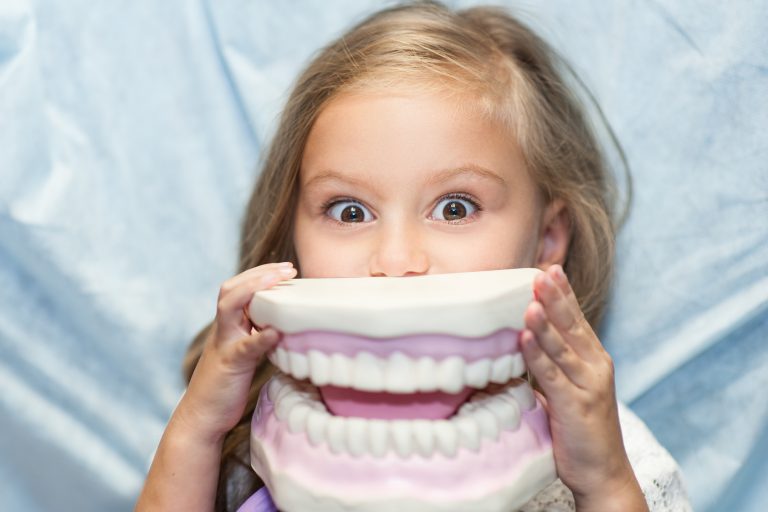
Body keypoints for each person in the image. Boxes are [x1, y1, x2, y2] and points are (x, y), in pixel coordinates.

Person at [136, 2, 690, 511]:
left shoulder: (603, 447)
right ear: (293, 237)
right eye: (350, 211)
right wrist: (198, 430)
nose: (397, 261)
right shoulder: (251, 439)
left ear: (546, 241)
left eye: (454, 208)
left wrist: (603, 482)